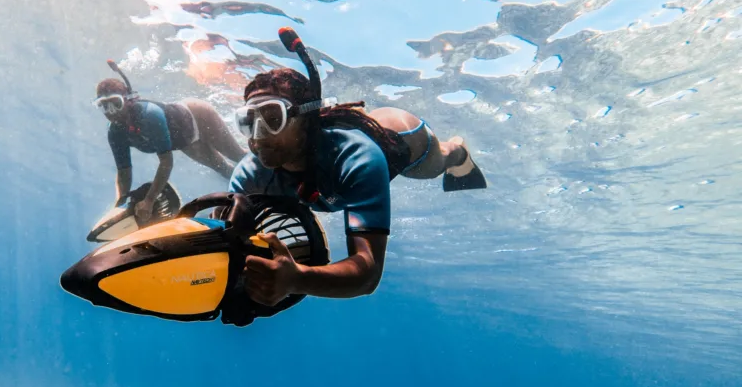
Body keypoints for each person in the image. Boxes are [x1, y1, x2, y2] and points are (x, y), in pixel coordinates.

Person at [229, 67, 486, 307]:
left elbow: (368, 272)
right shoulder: (248, 177)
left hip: (405, 137)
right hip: (339, 145)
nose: (258, 135)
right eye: (249, 122)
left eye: (274, 119)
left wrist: (298, 279)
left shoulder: (358, 158)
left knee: (437, 163)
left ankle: (457, 150)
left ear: (305, 120)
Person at [95, 71, 246, 223]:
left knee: (238, 156)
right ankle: (251, 193)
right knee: (223, 169)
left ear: (129, 100)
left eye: (116, 103)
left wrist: (149, 201)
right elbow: (123, 172)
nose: (112, 112)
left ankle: (266, 171)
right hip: (185, 142)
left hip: (198, 115)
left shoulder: (150, 115)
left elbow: (166, 162)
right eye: (104, 106)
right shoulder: (114, 133)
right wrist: (120, 206)